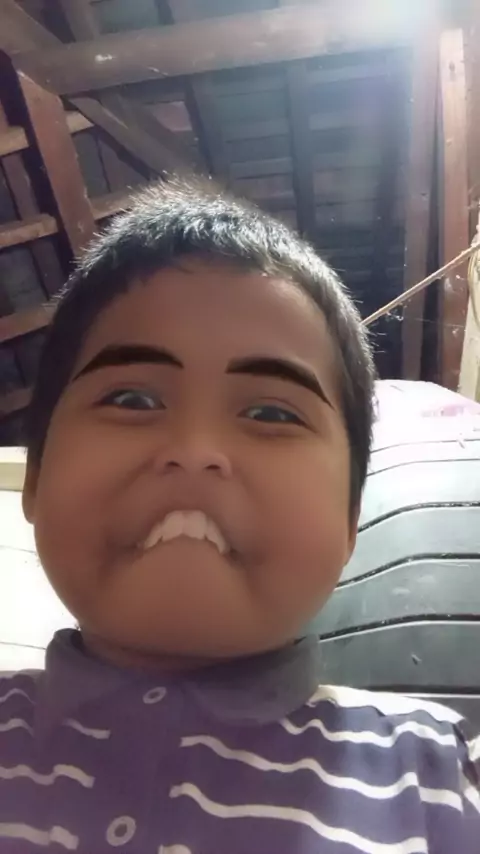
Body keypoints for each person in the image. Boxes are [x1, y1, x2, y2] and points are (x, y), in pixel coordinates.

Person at [0, 177, 478, 854]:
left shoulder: (436, 772)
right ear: (36, 479)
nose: (196, 451)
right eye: (132, 400)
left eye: (271, 413)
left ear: (349, 521)